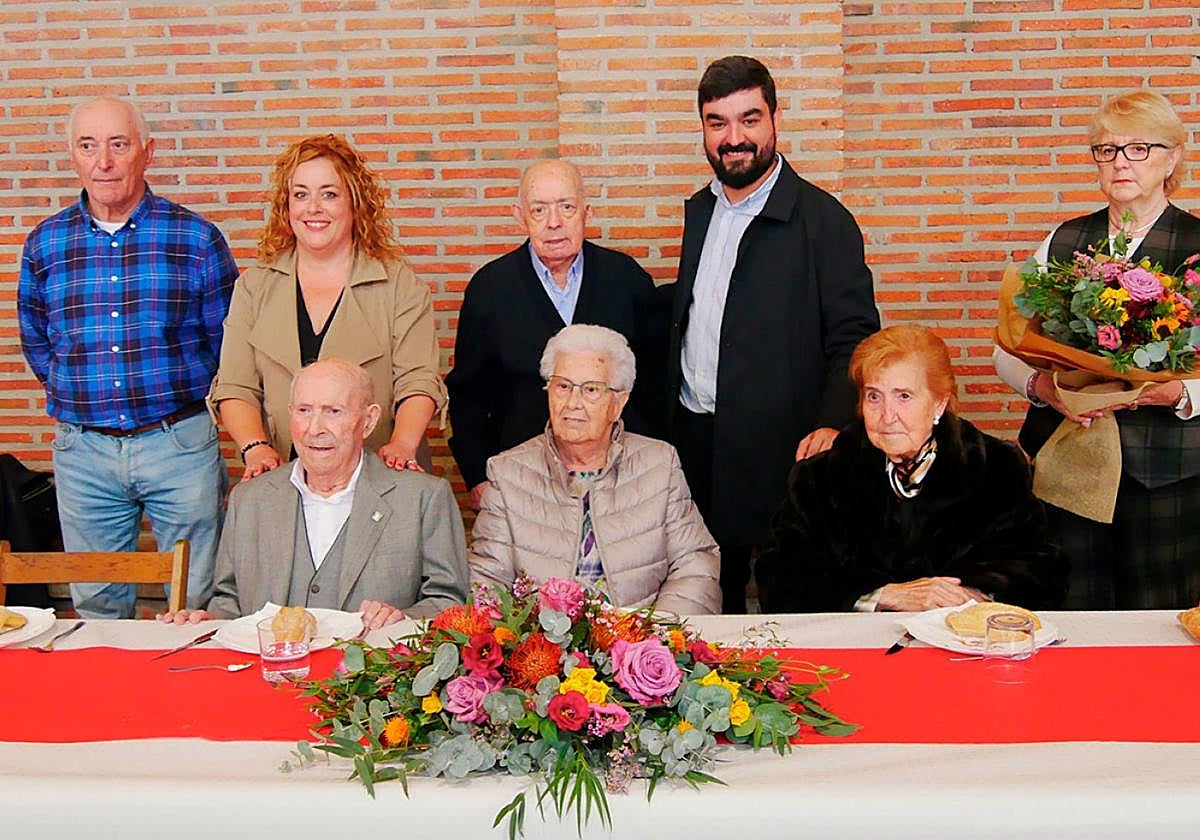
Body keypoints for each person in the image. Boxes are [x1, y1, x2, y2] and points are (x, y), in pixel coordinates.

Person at [668, 55, 881, 612]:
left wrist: (832, 423)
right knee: (709, 593)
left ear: (775, 119)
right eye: (718, 123)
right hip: (697, 441)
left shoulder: (824, 221)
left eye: (749, 119)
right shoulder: (700, 211)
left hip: (784, 450)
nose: (734, 138)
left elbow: (856, 337)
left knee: (790, 599)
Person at [18, 96, 237, 619]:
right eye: (88, 146)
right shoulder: (45, 243)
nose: (104, 161)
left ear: (147, 152)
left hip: (178, 445)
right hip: (84, 452)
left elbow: (227, 341)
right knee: (97, 604)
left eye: (119, 144)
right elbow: (38, 340)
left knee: (197, 599)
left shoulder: (196, 238)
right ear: (72, 155)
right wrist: (87, 399)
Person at [993, 90, 1200, 609]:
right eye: (1107, 150)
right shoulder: (1064, 241)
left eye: (1139, 148)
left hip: (1168, 477)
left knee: (1160, 621)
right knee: (1069, 610)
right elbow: (1008, 348)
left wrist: (1179, 393)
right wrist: (1043, 388)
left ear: (1172, 158)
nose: (1120, 162)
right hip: (1071, 467)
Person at [757, 326, 1068, 613]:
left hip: (961, 642)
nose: (887, 415)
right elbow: (778, 581)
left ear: (939, 404)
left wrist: (973, 596)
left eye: (904, 396)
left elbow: (1043, 572)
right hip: (859, 646)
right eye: (874, 396)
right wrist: (882, 595)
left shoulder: (996, 467)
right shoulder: (820, 477)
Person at [158, 359, 469, 628]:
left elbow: (450, 602)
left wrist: (401, 619)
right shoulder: (249, 499)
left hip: (369, 673)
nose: (315, 428)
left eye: (333, 411)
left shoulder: (423, 498)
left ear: (369, 421)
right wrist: (208, 621)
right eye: (304, 411)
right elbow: (228, 600)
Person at [210, 134, 445, 482]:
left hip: (382, 473)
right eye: (300, 194)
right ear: (286, 206)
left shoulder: (400, 285)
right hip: (285, 474)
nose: (313, 208)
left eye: (329, 194)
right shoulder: (254, 287)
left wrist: (403, 445)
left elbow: (418, 381)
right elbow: (235, 386)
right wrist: (255, 448)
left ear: (355, 202)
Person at [446, 159, 668, 510]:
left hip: (619, 481)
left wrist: (651, 470)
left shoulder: (627, 280)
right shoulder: (489, 289)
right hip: (522, 482)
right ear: (520, 216)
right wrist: (477, 476)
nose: (554, 223)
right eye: (539, 210)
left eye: (566, 207)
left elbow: (656, 384)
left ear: (586, 212)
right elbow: (468, 394)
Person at [470, 325, 721, 615]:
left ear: (618, 403)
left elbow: (695, 565)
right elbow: (486, 583)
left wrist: (657, 630)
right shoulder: (507, 473)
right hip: (541, 639)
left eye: (591, 389)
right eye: (563, 386)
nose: (573, 403)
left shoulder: (660, 464)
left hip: (641, 634)